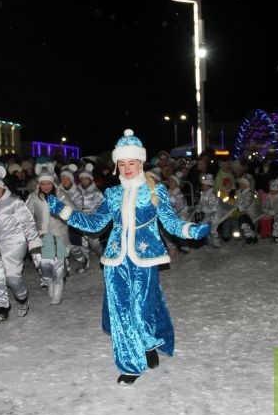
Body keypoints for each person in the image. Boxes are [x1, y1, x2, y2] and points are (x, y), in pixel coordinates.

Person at [48, 129, 210, 385]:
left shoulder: (155, 190)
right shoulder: (112, 194)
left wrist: (190, 229)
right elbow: (94, 224)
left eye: (131, 163)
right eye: (121, 164)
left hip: (145, 259)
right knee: (121, 312)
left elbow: (169, 222)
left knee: (142, 309)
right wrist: (66, 212)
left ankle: (147, 345)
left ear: (141, 162)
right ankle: (129, 365)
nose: (126, 168)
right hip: (114, 260)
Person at [0, 166, 42, 322]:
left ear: (2, 187)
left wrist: (34, 245)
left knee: (13, 280)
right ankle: (2, 309)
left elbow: (28, 223)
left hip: (13, 245)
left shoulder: (14, 202)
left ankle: (23, 299)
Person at [25, 163, 73, 305]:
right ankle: (51, 282)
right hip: (42, 237)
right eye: (43, 184)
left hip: (59, 235)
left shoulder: (61, 195)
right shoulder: (33, 197)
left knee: (58, 265)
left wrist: (63, 213)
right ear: (39, 184)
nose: (46, 187)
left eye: (48, 184)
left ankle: (57, 292)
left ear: (53, 183)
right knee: (44, 266)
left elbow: (72, 212)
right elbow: (25, 215)